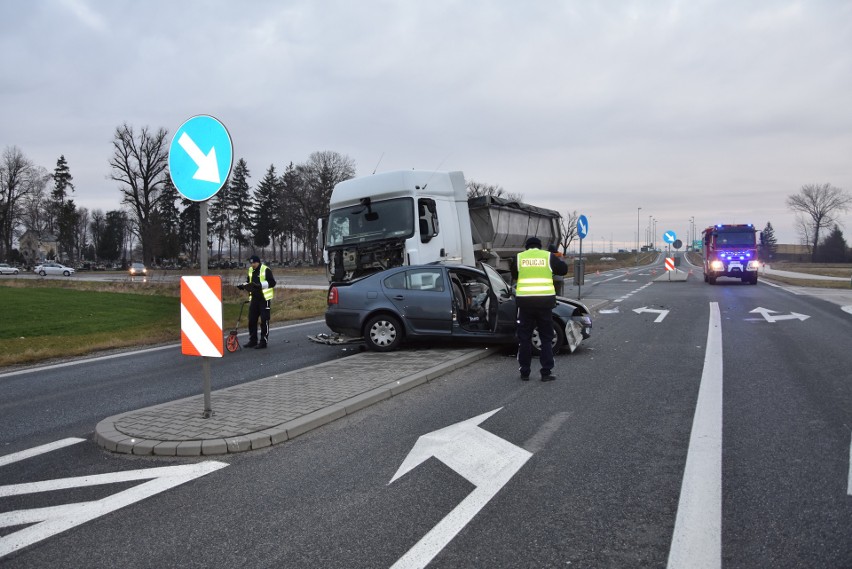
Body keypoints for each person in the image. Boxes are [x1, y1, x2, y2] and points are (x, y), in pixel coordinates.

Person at [514, 237, 569, 381]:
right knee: (546, 338)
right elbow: (564, 270)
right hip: (544, 304)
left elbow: (514, 275)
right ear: (539, 247)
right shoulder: (547, 256)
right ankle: (546, 372)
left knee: (524, 338)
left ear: (527, 247)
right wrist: (558, 256)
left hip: (525, 304)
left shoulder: (520, 257)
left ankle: (524, 372)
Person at [237, 255, 276, 349]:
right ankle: (253, 341)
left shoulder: (266, 269)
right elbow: (248, 281)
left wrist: (260, 285)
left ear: (258, 262)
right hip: (254, 299)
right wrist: (243, 285)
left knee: (264, 321)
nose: (252, 264)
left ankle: (263, 342)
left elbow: (272, 283)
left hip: (264, 299)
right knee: (252, 320)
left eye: (254, 263)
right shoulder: (250, 270)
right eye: (251, 263)